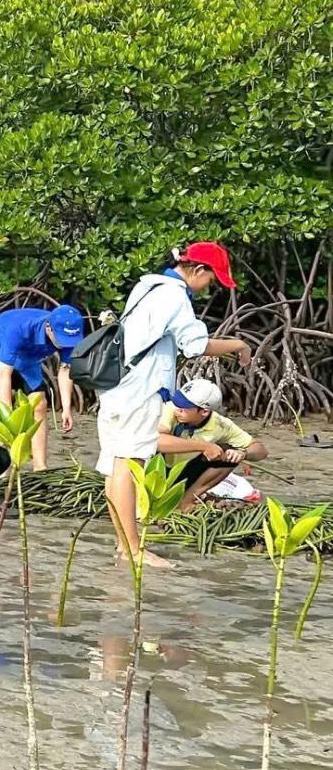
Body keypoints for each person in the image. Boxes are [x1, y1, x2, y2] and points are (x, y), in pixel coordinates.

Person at [97, 242, 252, 568]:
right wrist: (238, 344)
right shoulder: (173, 296)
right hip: (137, 390)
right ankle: (132, 550)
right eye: (211, 278)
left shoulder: (147, 287)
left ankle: (123, 544)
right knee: (127, 463)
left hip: (115, 388)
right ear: (197, 270)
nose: (211, 287)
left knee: (115, 464)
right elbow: (195, 345)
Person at [0, 304, 85, 469]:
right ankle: (2, 470)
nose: (64, 345)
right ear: (49, 328)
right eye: (61, 340)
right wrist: (8, 416)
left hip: (28, 360)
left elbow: (65, 370)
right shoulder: (19, 329)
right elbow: (4, 375)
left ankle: (40, 467)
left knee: (40, 404)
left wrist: (66, 408)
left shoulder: (69, 336)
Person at [156, 378, 268, 511]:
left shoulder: (221, 425)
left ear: (204, 412)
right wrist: (204, 446)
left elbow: (260, 450)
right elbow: (157, 441)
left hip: (186, 474)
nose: (178, 410)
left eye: (184, 408)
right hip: (157, 470)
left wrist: (242, 454)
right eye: (178, 404)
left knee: (228, 453)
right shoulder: (171, 408)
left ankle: (187, 500)